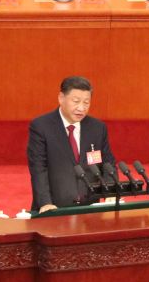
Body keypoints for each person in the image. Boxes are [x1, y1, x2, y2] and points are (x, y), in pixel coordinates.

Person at [27, 76, 115, 214]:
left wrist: (110, 190)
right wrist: (46, 202)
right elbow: (38, 169)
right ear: (61, 98)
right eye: (76, 101)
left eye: (86, 102)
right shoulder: (41, 126)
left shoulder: (97, 128)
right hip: (54, 208)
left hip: (90, 209)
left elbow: (108, 163)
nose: (81, 108)